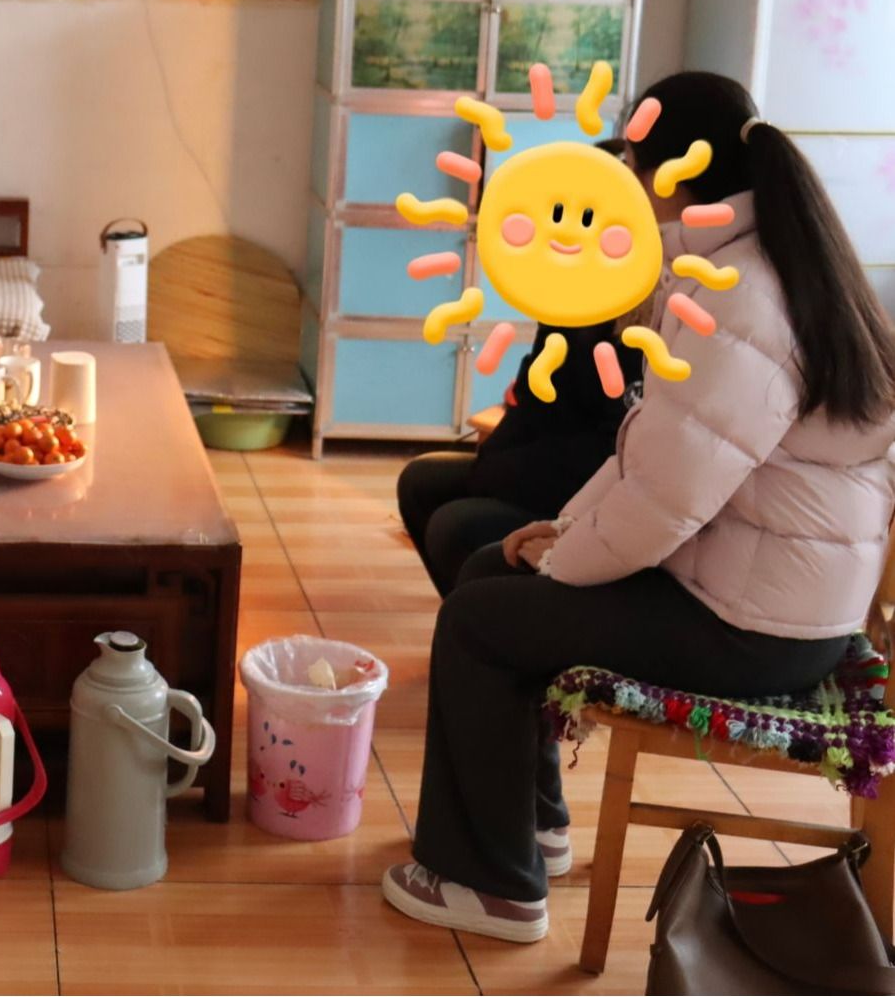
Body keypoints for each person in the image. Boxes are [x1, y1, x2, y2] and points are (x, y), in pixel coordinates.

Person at [382, 71, 895, 944]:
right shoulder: (763, 262)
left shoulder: (736, 294)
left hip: (756, 624)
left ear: (666, 174)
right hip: (768, 595)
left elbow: (665, 500)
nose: (618, 173)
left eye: (627, 157)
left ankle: (491, 886)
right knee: (489, 567)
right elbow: (649, 454)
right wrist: (558, 535)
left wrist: (560, 557)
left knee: (478, 619)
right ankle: (532, 827)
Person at [396, 139, 648, 595]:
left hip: (590, 491)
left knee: (456, 525)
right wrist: (492, 462)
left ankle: (489, 615)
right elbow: (533, 396)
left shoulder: (642, 320)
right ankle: (472, 613)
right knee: (421, 483)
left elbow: (609, 449)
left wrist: (503, 474)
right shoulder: (569, 296)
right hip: (547, 464)